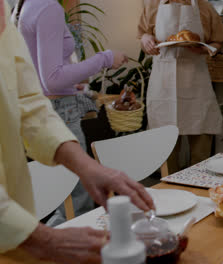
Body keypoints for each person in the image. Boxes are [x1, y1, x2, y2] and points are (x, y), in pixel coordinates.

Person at [0, 1, 154, 263]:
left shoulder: (14, 8)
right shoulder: (47, 8)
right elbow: (52, 80)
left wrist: (86, 166)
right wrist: (41, 240)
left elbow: (27, 98)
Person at [12, 0, 128, 225]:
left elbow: (36, 70)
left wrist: (69, 85)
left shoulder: (24, 5)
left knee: (61, 198)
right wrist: (105, 58)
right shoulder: (48, 7)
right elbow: (54, 79)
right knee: (75, 205)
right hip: (60, 112)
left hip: (43, 108)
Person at [138, 0, 223, 173]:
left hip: (196, 83)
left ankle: (199, 187)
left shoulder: (204, 6)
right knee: (166, 148)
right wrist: (146, 39)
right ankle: (170, 192)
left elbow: (217, 41)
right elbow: (143, 34)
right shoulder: (152, 5)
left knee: (201, 148)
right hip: (163, 85)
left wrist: (206, 49)